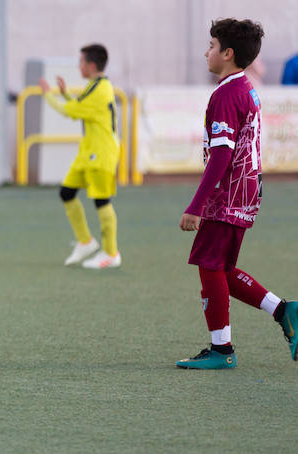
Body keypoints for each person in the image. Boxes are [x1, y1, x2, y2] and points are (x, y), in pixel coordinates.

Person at [175, 18, 298, 369]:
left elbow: (222, 155)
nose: (207, 52)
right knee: (222, 267)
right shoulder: (244, 87)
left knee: (209, 265)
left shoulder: (227, 94)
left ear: (227, 53)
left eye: (212, 46)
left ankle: (221, 350)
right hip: (244, 190)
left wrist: (196, 206)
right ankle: (284, 310)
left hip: (227, 194)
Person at [39, 44, 121, 269]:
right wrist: (65, 93)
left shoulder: (100, 89)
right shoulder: (96, 85)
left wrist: (48, 95)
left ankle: (111, 253)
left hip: (101, 153)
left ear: (91, 65)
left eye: (81, 62)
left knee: (102, 201)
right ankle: (86, 241)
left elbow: (70, 112)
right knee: (67, 192)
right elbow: (79, 105)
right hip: (88, 152)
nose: (79, 66)